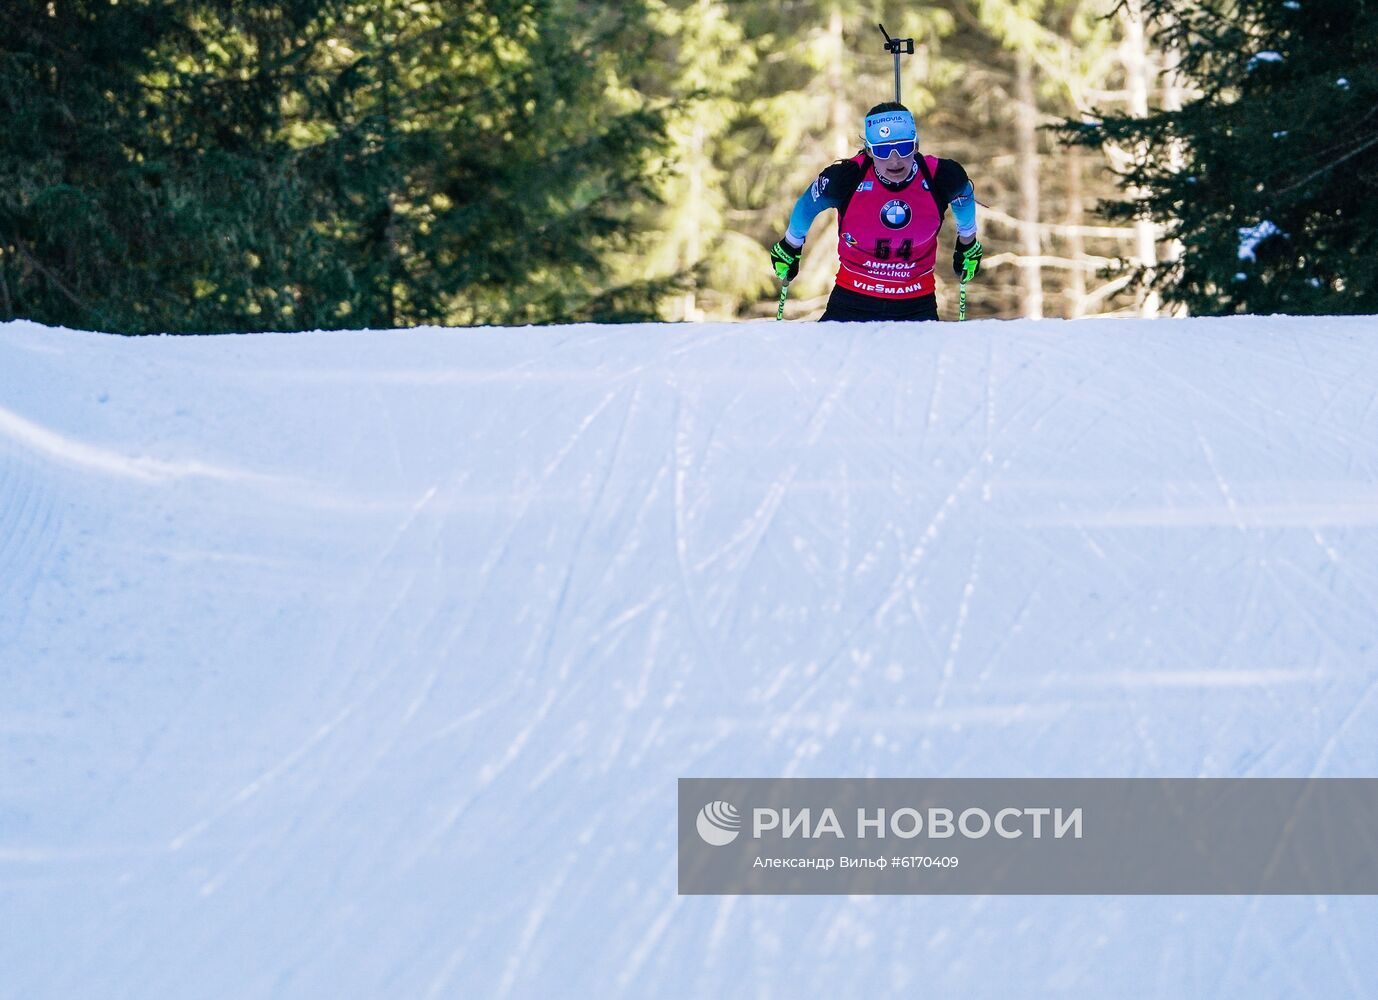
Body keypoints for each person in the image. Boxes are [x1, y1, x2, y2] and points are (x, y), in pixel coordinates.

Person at [769, 102, 982, 322]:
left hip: (916, 303)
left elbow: (963, 194)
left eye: (904, 147)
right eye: (882, 150)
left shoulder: (941, 176)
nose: (895, 159)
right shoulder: (846, 178)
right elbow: (808, 204)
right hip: (852, 299)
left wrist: (968, 241)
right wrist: (790, 244)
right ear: (869, 151)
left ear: (916, 145)